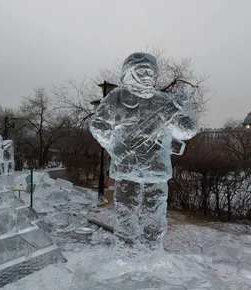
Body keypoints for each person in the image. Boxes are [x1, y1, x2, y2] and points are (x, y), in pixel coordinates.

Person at [89, 52, 198, 257]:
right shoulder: (117, 98)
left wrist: (185, 108)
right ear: (130, 72)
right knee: (126, 210)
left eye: (151, 71)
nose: (148, 75)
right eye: (142, 71)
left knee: (155, 211)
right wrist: (116, 148)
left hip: (156, 170)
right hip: (127, 168)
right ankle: (127, 251)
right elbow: (99, 125)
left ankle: (152, 250)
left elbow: (187, 131)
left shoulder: (166, 102)